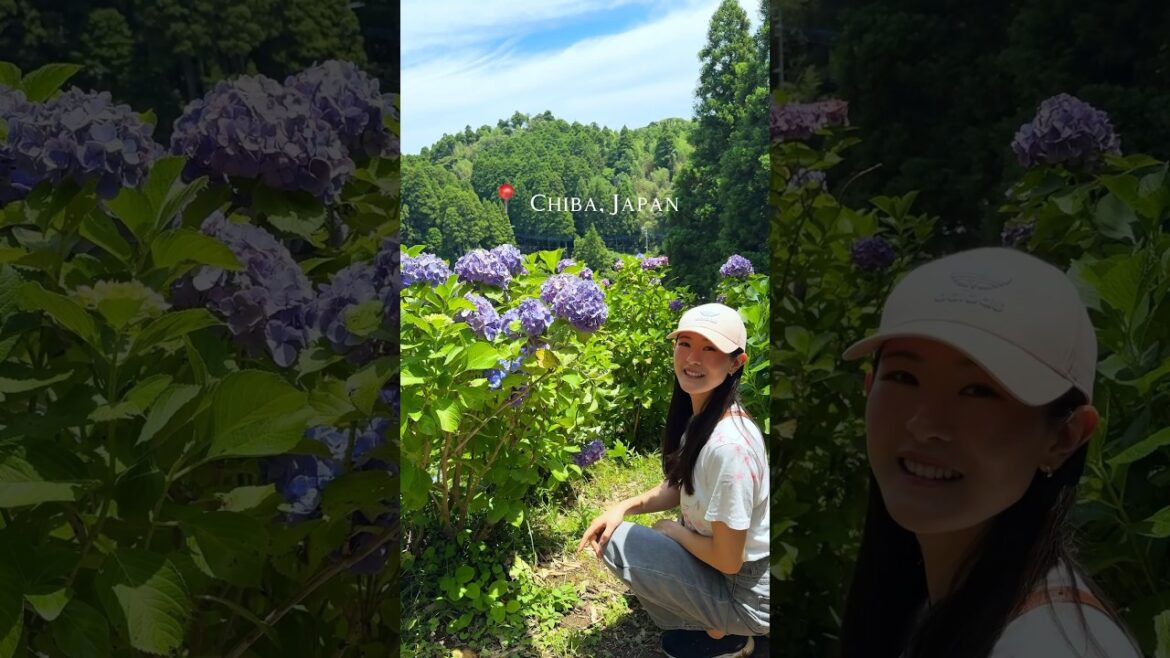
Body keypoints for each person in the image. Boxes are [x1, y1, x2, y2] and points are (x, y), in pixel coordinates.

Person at [838, 247, 1142, 658]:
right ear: (870, 387)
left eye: (980, 391)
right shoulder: (935, 607)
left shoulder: (1046, 646)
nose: (926, 425)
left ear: (1066, 436)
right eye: (905, 377)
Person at [576, 303, 770, 658]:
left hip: (747, 594)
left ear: (735, 363)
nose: (693, 358)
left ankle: (727, 636)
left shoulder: (729, 447)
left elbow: (729, 561)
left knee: (618, 543)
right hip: (734, 577)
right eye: (685, 343)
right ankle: (713, 623)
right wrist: (625, 506)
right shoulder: (706, 417)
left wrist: (673, 531)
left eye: (710, 348)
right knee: (615, 527)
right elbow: (681, 486)